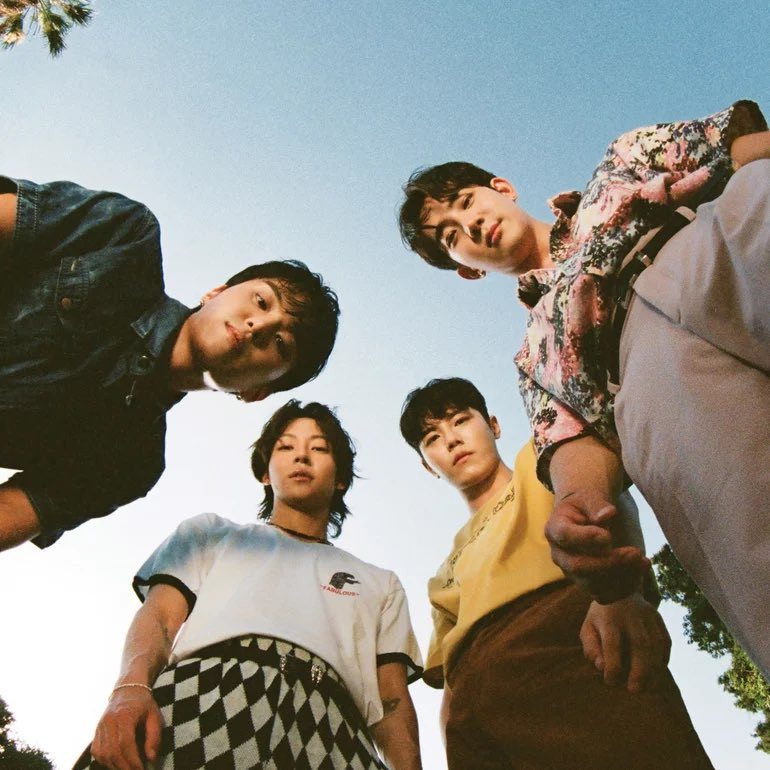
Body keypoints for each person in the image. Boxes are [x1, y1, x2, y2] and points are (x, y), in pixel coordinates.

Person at [397, 101, 770, 677]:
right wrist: (578, 506)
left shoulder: (618, 165)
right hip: (643, 369)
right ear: (467, 268)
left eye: (466, 203)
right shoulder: (535, 353)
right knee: (746, 524)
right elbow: (576, 446)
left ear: (502, 189)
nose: (468, 226)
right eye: (451, 237)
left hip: (706, 241)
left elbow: (738, 143)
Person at [74, 399, 423, 770]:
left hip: (332, 725)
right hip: (206, 694)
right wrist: (130, 689)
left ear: (340, 479)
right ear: (265, 474)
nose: (301, 456)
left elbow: (392, 701)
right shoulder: (211, 533)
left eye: (319, 448)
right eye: (285, 447)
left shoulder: (380, 583)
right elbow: (159, 618)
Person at [0, 175, 340, 551]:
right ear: (217, 292)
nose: (258, 326)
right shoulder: (125, 236)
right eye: (262, 301)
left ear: (255, 392)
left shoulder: (132, 463)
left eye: (280, 343)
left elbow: (12, 512)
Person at [399, 377, 712, 769]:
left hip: (569, 653)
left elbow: (608, 497)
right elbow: (450, 685)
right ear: (427, 466)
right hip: (478, 714)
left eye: (461, 420)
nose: (451, 440)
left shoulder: (542, 457)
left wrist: (622, 592)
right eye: (432, 438)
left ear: (494, 425)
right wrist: (456, 740)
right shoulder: (445, 570)